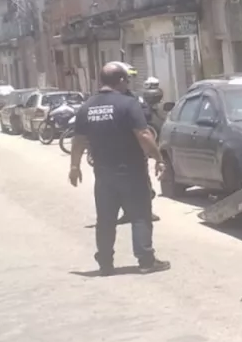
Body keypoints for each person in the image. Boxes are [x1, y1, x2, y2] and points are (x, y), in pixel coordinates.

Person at [69, 62, 171, 275]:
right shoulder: (128, 104)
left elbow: (78, 140)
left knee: (105, 219)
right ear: (122, 81)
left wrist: (75, 166)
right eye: (127, 80)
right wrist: (159, 159)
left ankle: (105, 262)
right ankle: (146, 260)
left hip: (103, 173)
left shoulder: (87, 106)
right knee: (140, 215)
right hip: (131, 171)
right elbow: (144, 135)